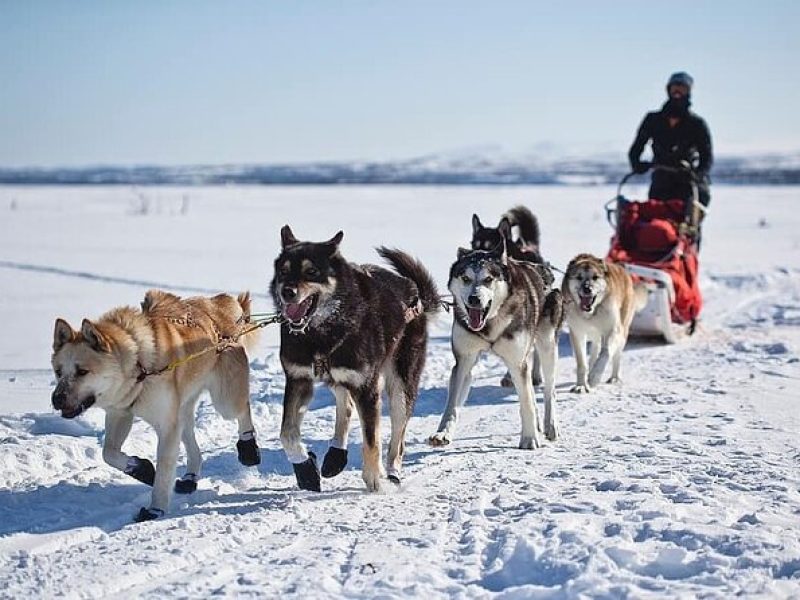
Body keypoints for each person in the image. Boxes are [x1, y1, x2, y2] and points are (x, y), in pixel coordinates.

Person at [628, 72, 713, 210]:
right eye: (674, 88)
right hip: (661, 183)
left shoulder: (697, 124)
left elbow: (707, 157)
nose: (677, 92)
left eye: (682, 88)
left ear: (689, 92)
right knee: (656, 222)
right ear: (668, 90)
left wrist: (697, 174)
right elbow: (636, 149)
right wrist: (637, 164)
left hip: (687, 184)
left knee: (687, 227)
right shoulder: (653, 120)